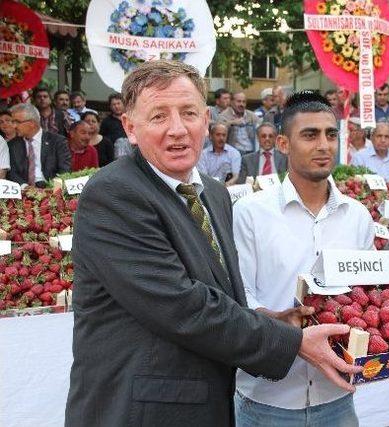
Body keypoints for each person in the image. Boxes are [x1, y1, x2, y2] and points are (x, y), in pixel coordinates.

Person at [65, 60, 359, 427]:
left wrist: (272, 318)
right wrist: (292, 341)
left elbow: (219, 293)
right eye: (158, 116)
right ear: (130, 128)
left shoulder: (215, 194)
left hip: (206, 405)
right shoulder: (114, 193)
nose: (177, 130)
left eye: (188, 113)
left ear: (205, 119)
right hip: (139, 411)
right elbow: (182, 306)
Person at [233, 91, 373, 427]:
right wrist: (281, 324)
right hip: (267, 400)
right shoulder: (251, 213)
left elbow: (370, 295)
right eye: (310, 135)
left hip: (337, 398)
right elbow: (239, 299)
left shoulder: (358, 216)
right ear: (283, 143)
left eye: (330, 134)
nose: (324, 145)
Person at [7, 103, 71, 186]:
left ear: (32, 123)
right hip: (23, 191)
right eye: (12, 122)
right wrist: (25, 188)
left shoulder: (57, 141)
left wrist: (53, 191)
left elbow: (64, 171)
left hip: (51, 189)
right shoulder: (12, 145)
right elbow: (12, 173)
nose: (13, 126)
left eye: (17, 122)